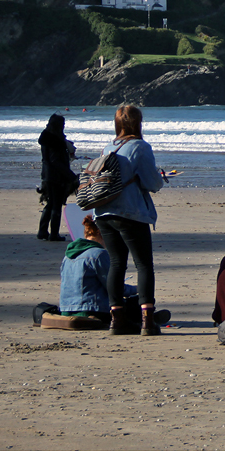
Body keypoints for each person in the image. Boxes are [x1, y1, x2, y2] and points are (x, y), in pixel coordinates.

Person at [94, 105, 166, 336]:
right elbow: (152, 183)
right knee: (144, 264)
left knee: (117, 264)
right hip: (130, 212)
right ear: (138, 123)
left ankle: (117, 319)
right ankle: (147, 321)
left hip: (103, 211)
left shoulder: (108, 146)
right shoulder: (140, 147)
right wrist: (160, 179)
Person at [58, 216, 171, 325]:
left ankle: (141, 318)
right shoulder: (99, 254)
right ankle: (145, 318)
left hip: (65, 309)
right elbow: (116, 288)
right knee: (135, 301)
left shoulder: (67, 256)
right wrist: (137, 289)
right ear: (100, 232)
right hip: (92, 309)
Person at [37, 113, 77, 241]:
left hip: (47, 174)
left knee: (51, 203)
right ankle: (54, 234)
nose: (64, 126)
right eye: (63, 124)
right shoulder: (56, 139)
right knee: (56, 205)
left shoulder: (46, 137)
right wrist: (70, 176)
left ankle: (43, 231)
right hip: (56, 176)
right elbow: (56, 161)